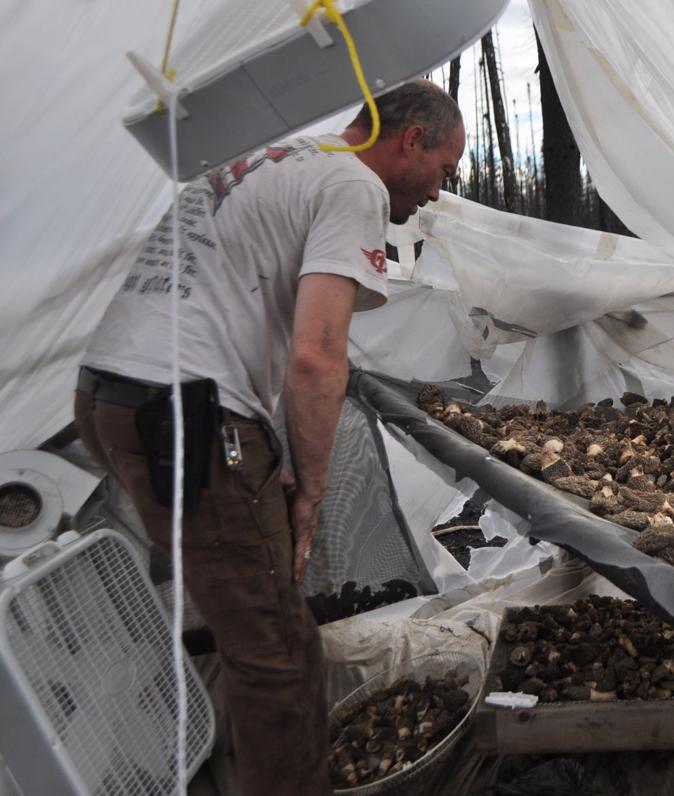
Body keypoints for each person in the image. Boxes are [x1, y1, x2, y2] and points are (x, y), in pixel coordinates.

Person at [73, 80, 465, 794]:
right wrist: (311, 490)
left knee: (245, 617)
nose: (439, 194)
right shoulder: (355, 183)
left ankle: (233, 768)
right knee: (280, 658)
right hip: (188, 415)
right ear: (411, 140)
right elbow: (317, 354)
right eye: (443, 171)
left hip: (107, 395)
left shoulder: (270, 159)